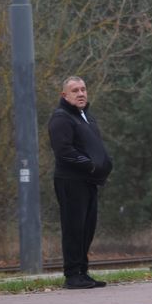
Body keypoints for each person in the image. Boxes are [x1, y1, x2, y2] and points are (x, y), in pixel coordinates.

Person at [48, 76, 113, 289]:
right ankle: (72, 274)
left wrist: (104, 163)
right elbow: (64, 151)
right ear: (64, 95)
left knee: (87, 227)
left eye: (83, 89)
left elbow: (95, 147)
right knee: (74, 227)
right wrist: (90, 165)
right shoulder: (61, 118)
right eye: (75, 90)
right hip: (70, 181)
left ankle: (83, 272)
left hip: (88, 182)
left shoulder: (86, 117)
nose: (81, 93)